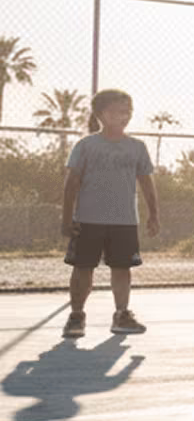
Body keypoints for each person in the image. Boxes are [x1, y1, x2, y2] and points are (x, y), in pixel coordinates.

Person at [61, 89, 159, 339]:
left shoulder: (137, 147)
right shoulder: (86, 145)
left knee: (122, 268)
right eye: (116, 112)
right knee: (83, 267)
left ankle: (121, 314)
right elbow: (71, 183)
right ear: (100, 114)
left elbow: (146, 182)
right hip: (88, 219)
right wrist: (66, 218)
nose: (123, 116)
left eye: (127, 112)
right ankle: (76, 316)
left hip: (124, 221)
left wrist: (153, 214)